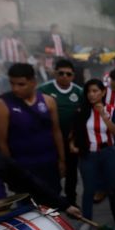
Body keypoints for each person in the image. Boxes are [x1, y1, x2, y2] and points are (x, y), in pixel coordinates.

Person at [0, 63, 66, 195]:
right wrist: (11, 170)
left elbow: (56, 131)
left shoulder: (48, 101)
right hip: (23, 166)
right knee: (28, 206)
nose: (15, 89)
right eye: (12, 84)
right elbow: (2, 142)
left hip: (49, 162)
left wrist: (61, 160)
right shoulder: (2, 104)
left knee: (53, 201)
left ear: (33, 82)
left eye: (21, 84)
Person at [70, 79, 115, 224]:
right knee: (88, 189)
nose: (91, 95)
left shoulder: (112, 109)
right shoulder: (82, 110)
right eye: (89, 91)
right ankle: (87, 221)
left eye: (95, 91)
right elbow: (74, 130)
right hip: (88, 154)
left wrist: (104, 117)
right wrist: (72, 144)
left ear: (103, 92)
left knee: (113, 188)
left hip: (108, 153)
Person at [39, 59, 83, 205]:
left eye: (68, 74)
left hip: (71, 140)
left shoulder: (79, 91)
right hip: (50, 139)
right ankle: (54, 200)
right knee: (52, 171)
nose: (65, 76)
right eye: (61, 73)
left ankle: (71, 200)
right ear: (54, 73)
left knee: (71, 171)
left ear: (73, 75)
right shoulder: (44, 90)